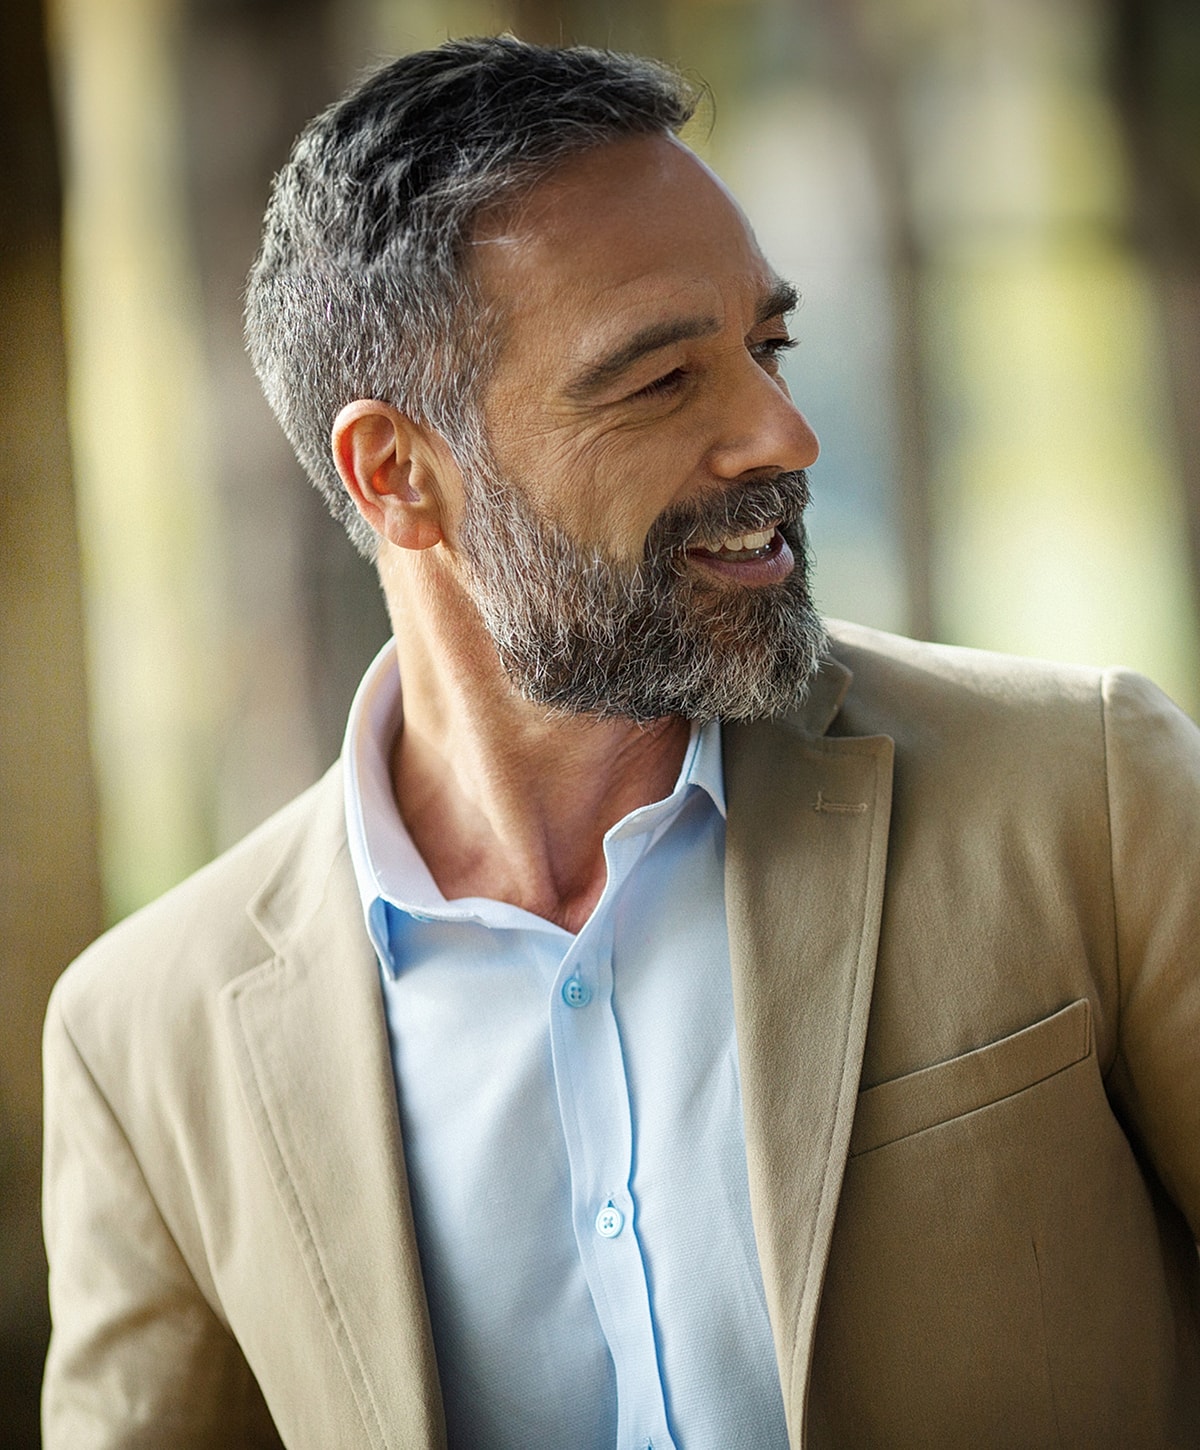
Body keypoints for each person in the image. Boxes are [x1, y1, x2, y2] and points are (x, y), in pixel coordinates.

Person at [41, 35, 1200, 1450]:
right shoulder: (144, 1036)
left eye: (764, 345)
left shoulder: (1086, 792)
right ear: (397, 474)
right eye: (659, 384)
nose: (783, 431)